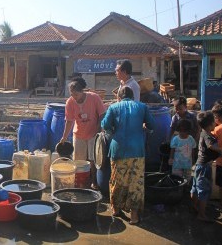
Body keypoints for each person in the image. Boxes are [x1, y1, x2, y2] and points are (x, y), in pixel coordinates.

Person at [101, 86, 154, 225]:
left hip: (118, 149)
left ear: (119, 96)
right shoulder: (142, 107)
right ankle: (134, 216)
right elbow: (152, 125)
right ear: (133, 96)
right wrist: (143, 127)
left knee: (117, 180)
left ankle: (116, 209)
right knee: (135, 183)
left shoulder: (113, 107)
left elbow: (105, 125)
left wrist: (113, 131)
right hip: (137, 150)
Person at [59, 76, 106, 190]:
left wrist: (98, 130)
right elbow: (69, 121)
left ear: (82, 92)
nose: (74, 97)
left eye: (76, 95)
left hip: (93, 134)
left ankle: (94, 182)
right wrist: (64, 137)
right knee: (78, 161)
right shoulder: (70, 102)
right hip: (79, 134)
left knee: (92, 160)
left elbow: (102, 114)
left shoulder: (94, 98)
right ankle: (79, 183)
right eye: (72, 95)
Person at [191, 111, 222, 222]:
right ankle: (201, 215)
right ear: (211, 124)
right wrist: (221, 150)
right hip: (205, 167)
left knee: (196, 188)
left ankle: (194, 207)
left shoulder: (202, 132)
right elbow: (211, 146)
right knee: (204, 191)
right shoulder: (207, 135)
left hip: (199, 165)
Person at [169, 96, 200, 162]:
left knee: (191, 159)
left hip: (191, 142)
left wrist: (196, 140)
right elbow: (172, 130)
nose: (177, 111)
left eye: (180, 109)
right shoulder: (175, 118)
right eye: (176, 109)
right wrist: (169, 140)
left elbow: (198, 129)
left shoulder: (192, 116)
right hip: (180, 144)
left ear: (185, 107)